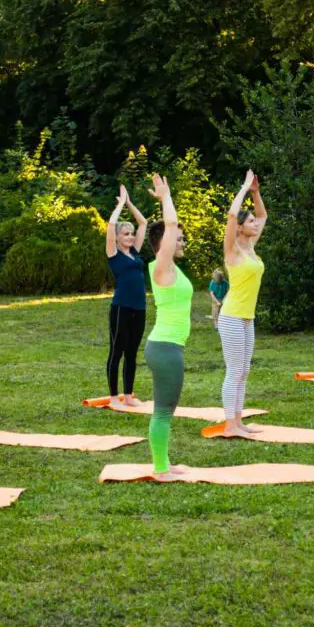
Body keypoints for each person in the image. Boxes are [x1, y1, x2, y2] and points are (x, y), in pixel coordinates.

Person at [143, 174, 192, 481]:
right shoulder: (161, 265)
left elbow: (173, 230)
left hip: (168, 347)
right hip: (164, 348)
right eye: (178, 238)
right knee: (163, 409)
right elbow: (171, 226)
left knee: (167, 408)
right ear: (164, 244)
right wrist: (166, 198)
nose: (182, 241)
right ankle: (160, 469)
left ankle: (164, 462)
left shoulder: (170, 268)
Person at [219, 170, 267, 438]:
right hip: (232, 316)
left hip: (247, 317)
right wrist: (242, 188)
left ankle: (238, 421)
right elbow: (230, 216)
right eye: (249, 221)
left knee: (244, 370)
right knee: (234, 370)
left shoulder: (251, 247)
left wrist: (255, 192)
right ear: (240, 226)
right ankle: (229, 425)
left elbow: (263, 216)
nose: (255, 224)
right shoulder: (233, 250)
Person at [105, 184, 148, 405]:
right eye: (126, 234)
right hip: (121, 307)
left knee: (132, 352)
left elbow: (143, 223)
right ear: (117, 237)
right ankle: (114, 396)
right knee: (117, 351)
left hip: (139, 308)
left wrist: (130, 203)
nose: (130, 237)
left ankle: (128, 395)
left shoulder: (134, 253)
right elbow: (111, 224)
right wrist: (120, 205)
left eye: (131, 234)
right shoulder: (113, 254)